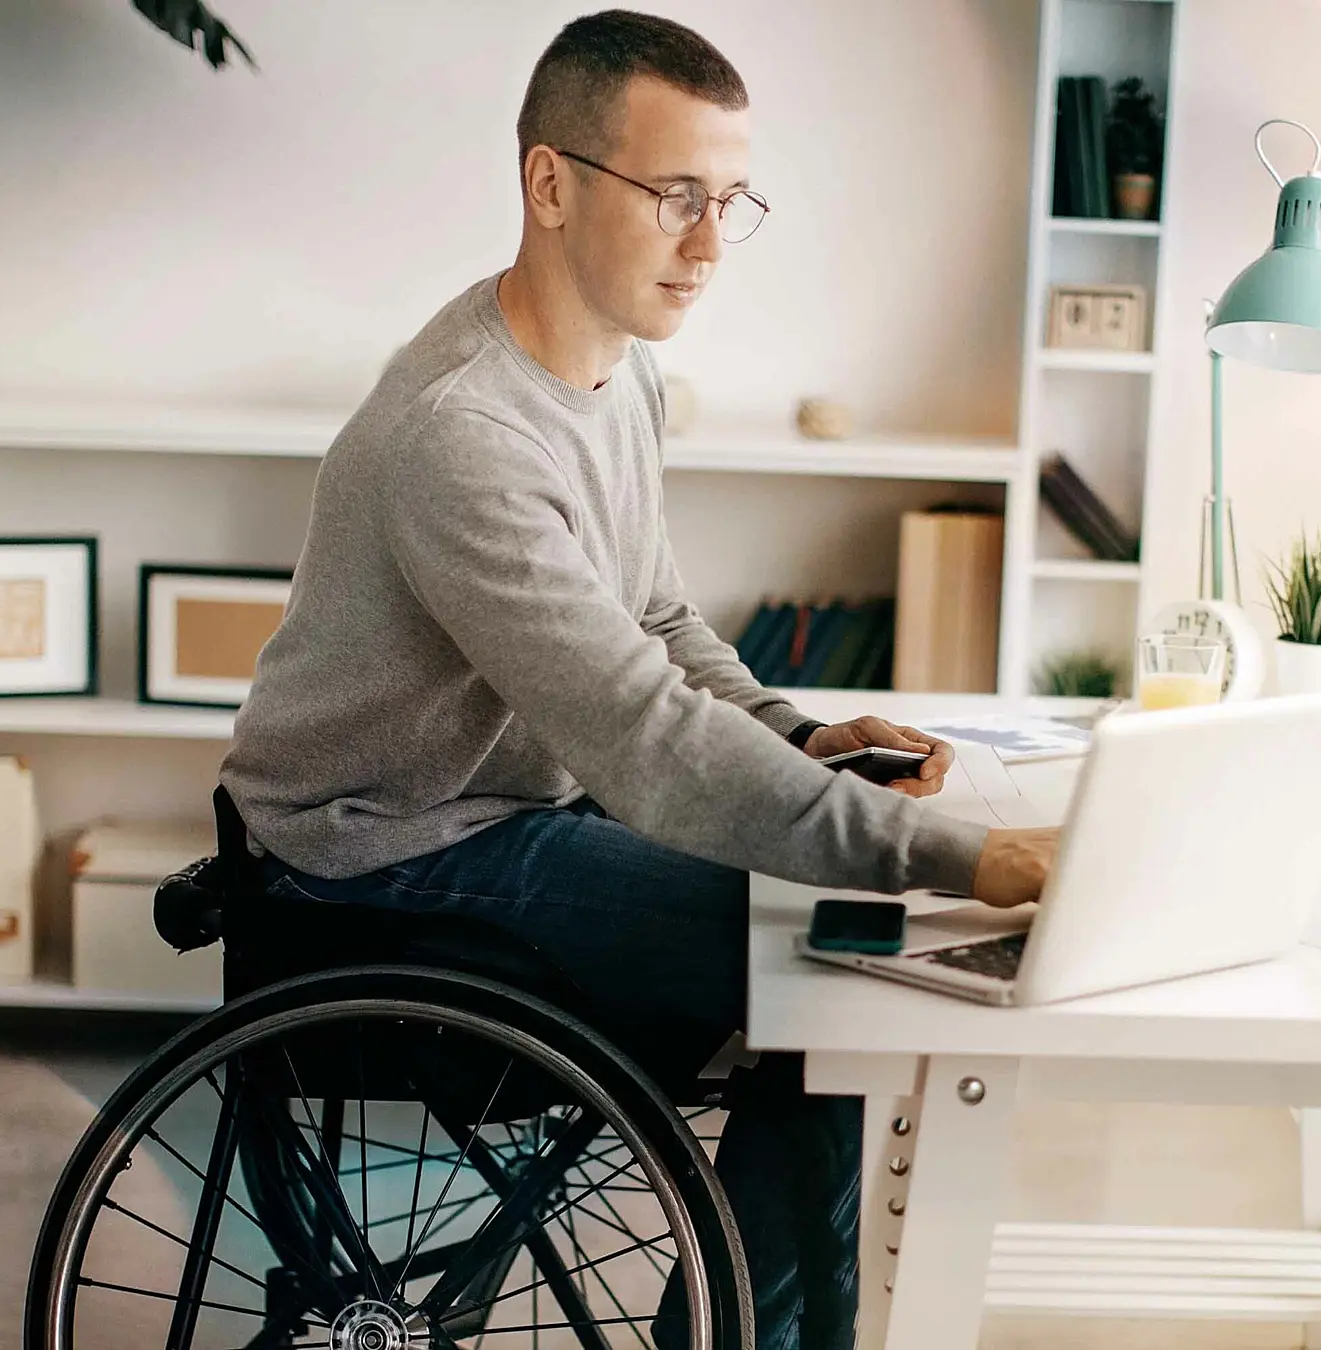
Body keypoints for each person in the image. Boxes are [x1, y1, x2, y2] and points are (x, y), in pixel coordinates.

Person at [220, 9, 1057, 1347]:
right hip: (382, 854)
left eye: (731, 201)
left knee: (832, 959)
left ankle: (737, 1325)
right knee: (836, 963)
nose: (711, 243)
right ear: (550, 184)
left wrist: (799, 733)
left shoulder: (622, 376)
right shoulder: (461, 437)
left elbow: (658, 620)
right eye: (677, 197)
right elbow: (645, 737)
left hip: (518, 807)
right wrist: (947, 853)